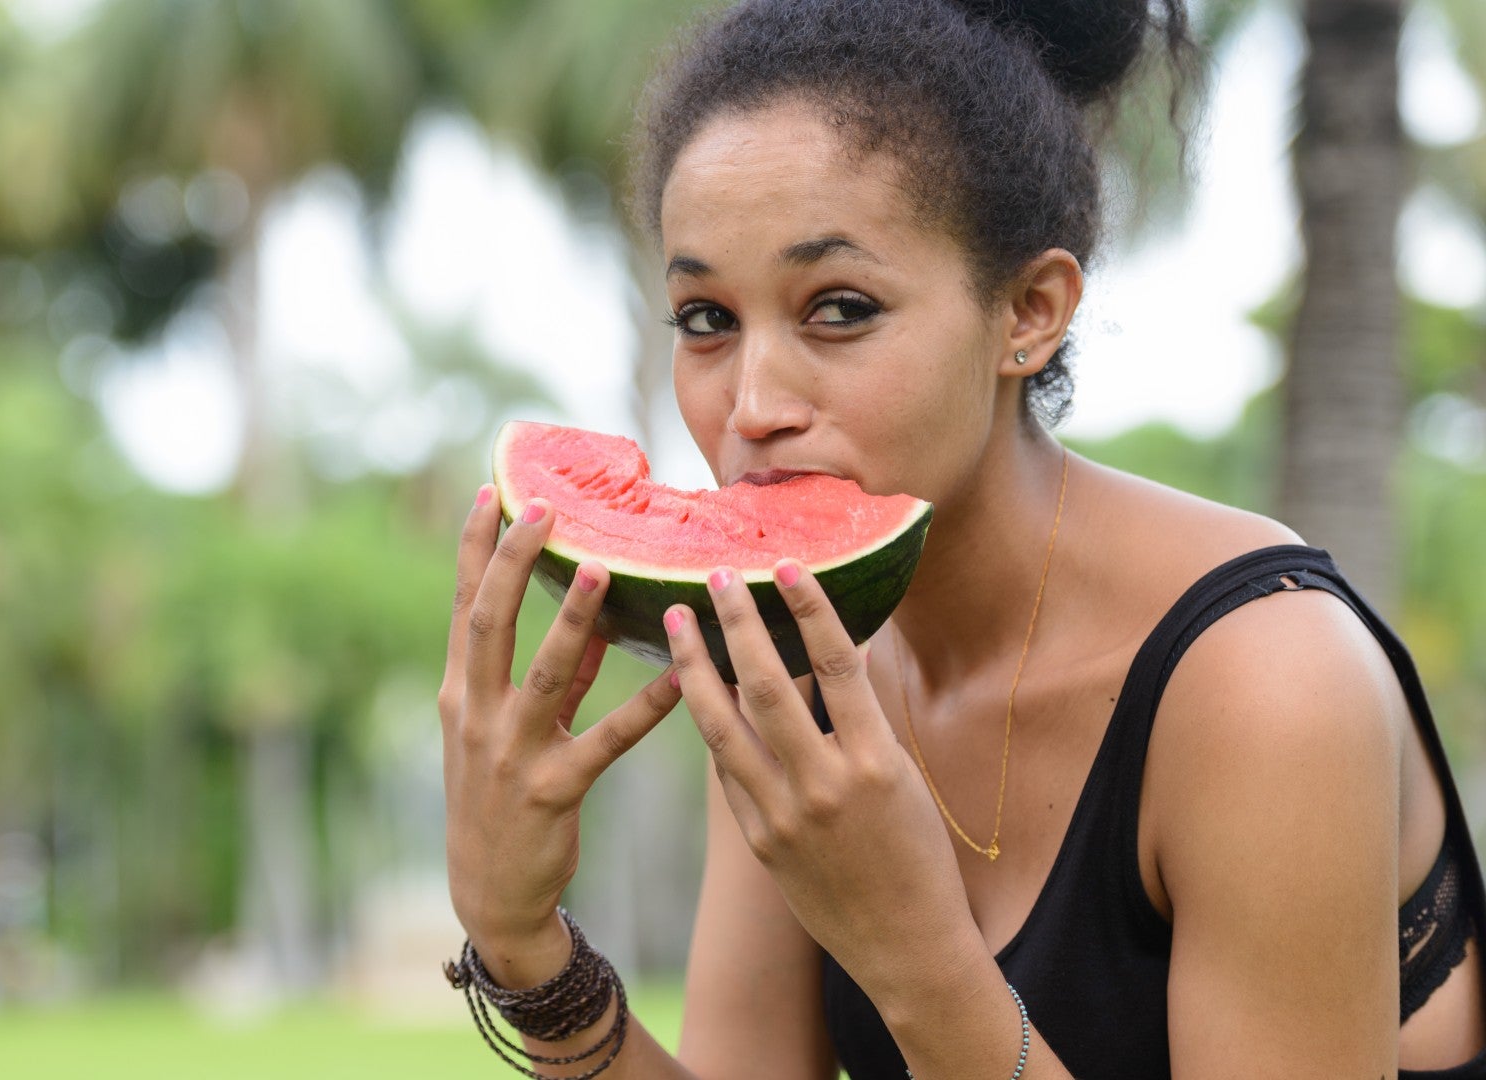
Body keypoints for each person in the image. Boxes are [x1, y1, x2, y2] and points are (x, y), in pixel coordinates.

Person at [435, 0, 1486, 1075]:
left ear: (1030, 311)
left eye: (838, 307)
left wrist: (917, 955)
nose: (751, 403)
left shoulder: (1267, 682)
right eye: (706, 318)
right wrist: (526, 948)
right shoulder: (784, 675)